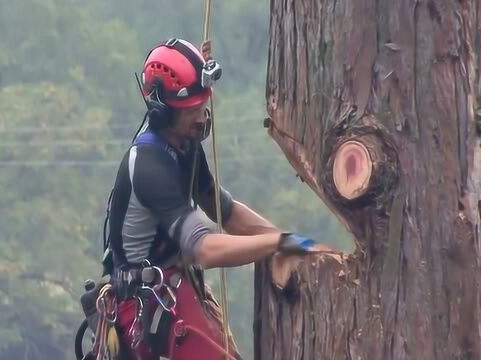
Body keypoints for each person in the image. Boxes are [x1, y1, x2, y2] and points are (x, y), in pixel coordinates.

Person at [104, 37, 319, 360]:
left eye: (204, 105)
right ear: (164, 112)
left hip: (173, 289)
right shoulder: (149, 165)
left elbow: (224, 209)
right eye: (193, 110)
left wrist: (293, 242)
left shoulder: (184, 147)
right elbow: (204, 249)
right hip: (145, 305)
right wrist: (278, 242)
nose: (203, 118)